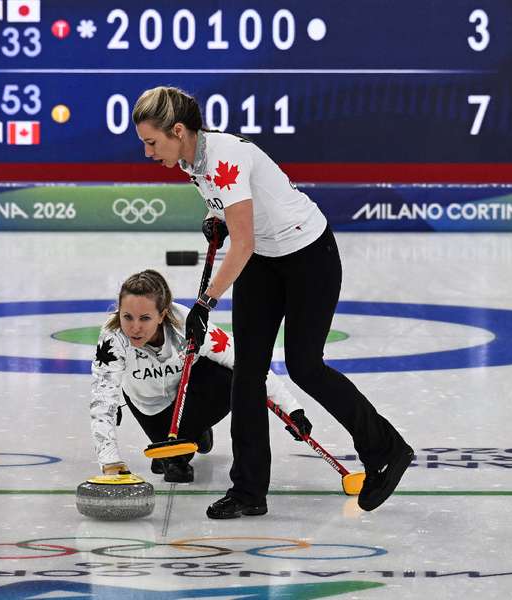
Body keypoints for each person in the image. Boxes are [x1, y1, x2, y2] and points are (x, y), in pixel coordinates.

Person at [132, 86, 413, 517]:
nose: (148, 153)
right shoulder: (191, 159)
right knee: (247, 373)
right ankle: (248, 491)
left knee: (305, 366)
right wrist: (216, 219)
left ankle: (387, 449)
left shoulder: (224, 155)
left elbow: (241, 243)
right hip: (264, 258)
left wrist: (205, 303)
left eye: (152, 142)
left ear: (179, 130)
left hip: (307, 257)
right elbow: (239, 217)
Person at [90, 269, 312, 483]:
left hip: (190, 394)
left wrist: (292, 409)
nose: (134, 327)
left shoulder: (189, 323)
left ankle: (191, 433)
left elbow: (245, 363)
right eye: (127, 316)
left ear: (162, 315)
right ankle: (189, 440)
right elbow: (103, 399)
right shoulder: (113, 338)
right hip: (150, 407)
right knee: (171, 464)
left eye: (145, 318)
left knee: (230, 378)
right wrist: (110, 460)